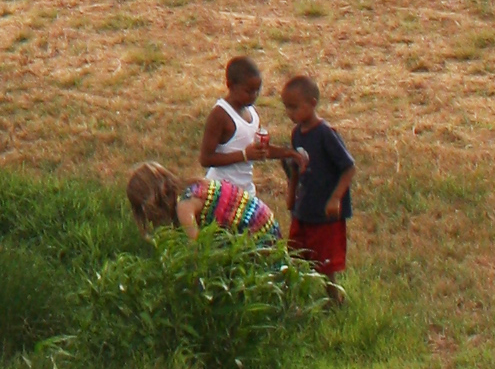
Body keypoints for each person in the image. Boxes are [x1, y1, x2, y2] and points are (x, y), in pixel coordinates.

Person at [261, 72, 355, 283]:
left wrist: (335, 198)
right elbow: (296, 168)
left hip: (325, 214)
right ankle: (297, 293)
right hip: (304, 209)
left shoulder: (325, 134)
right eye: (286, 107)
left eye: (294, 107)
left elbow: (349, 168)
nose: (290, 113)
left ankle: (333, 297)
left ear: (312, 103)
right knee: (295, 256)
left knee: (325, 263)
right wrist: (292, 193)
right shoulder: (297, 134)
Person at [125, 160, 282, 244]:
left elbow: (197, 249)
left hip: (257, 233)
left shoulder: (184, 206)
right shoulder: (192, 187)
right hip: (265, 221)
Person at [199, 54, 267, 186]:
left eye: (257, 91)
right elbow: (205, 159)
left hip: (245, 189)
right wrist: (244, 155)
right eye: (248, 91)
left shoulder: (252, 112)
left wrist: (289, 154)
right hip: (220, 189)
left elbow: (258, 149)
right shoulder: (220, 115)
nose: (254, 96)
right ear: (230, 85)